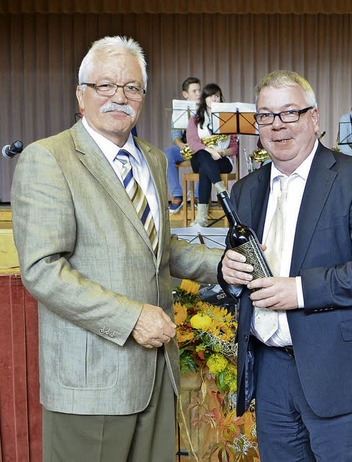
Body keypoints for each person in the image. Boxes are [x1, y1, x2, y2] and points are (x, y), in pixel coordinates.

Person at [11, 36, 222, 462]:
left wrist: (223, 265)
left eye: (131, 88)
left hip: (158, 375)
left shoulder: (153, 159)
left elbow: (158, 249)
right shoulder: (47, 158)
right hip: (92, 383)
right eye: (104, 86)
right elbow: (43, 269)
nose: (118, 97)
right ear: (80, 94)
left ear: (143, 97)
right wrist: (131, 318)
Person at [219, 70, 352, 461]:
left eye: (290, 113)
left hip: (341, 372)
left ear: (314, 118)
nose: (277, 126)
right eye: (266, 116)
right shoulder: (246, 189)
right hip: (270, 373)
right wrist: (228, 273)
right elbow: (242, 269)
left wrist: (299, 290)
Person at [186, 83, 238, 227]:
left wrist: (221, 152)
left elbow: (234, 148)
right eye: (210, 96)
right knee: (203, 155)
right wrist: (211, 151)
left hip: (223, 160)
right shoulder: (195, 119)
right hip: (201, 157)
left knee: (205, 169)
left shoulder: (229, 119)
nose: (214, 99)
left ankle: (202, 216)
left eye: (217, 96)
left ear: (221, 98)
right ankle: (222, 190)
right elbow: (193, 143)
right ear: (205, 99)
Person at [165, 76, 201, 213]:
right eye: (194, 91)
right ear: (185, 94)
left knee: (203, 157)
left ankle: (198, 196)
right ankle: (177, 195)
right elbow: (175, 136)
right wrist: (182, 146)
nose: (198, 94)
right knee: (168, 154)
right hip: (186, 148)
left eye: (199, 90)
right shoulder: (179, 112)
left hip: (200, 148)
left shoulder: (206, 110)